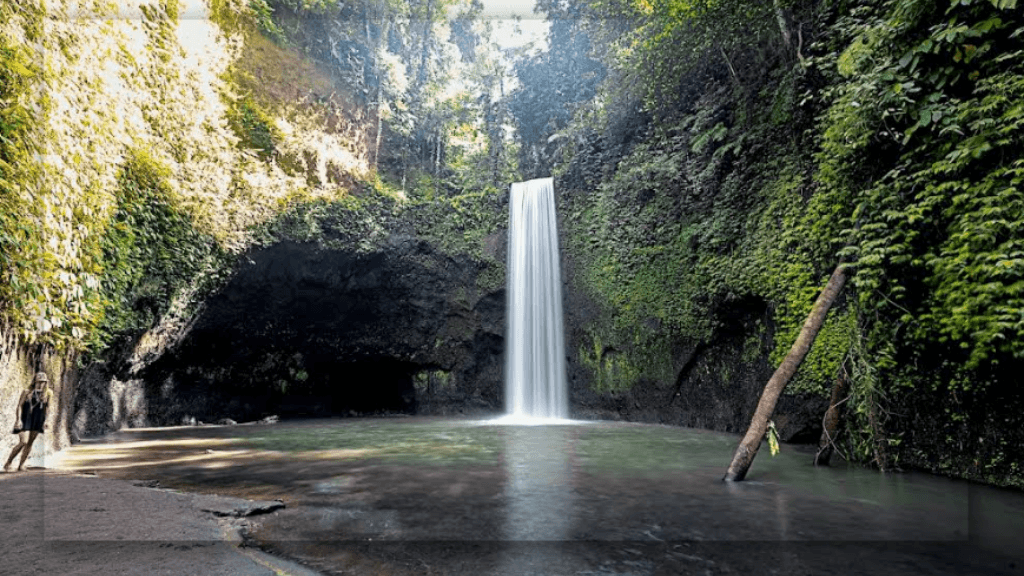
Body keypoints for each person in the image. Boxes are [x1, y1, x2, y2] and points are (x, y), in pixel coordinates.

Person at [5, 371, 52, 472]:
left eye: (43, 382)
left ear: (46, 383)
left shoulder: (48, 393)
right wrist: (18, 419)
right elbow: (19, 406)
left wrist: (46, 421)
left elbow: (47, 408)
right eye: (39, 382)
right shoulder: (26, 392)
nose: (40, 384)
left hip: (38, 419)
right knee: (23, 441)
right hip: (25, 419)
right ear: (34, 381)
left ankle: (21, 465)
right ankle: (8, 462)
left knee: (30, 442)